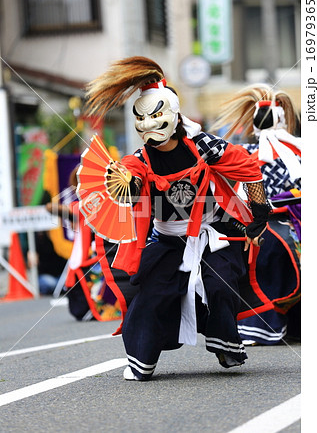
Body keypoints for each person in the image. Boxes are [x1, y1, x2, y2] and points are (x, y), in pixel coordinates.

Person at [84, 56, 271, 381]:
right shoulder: (140, 158)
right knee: (153, 295)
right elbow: (133, 173)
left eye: (156, 117)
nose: (149, 126)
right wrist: (124, 181)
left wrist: (259, 212)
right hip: (168, 241)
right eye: (142, 119)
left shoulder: (204, 146)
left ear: (172, 116)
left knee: (220, 286)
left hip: (213, 237)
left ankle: (226, 346)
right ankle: (143, 360)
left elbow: (247, 167)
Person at [211, 84, 301, 345]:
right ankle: (258, 323)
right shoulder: (245, 154)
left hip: (292, 219)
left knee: (276, 245)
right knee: (263, 245)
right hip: (257, 222)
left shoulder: (299, 150)